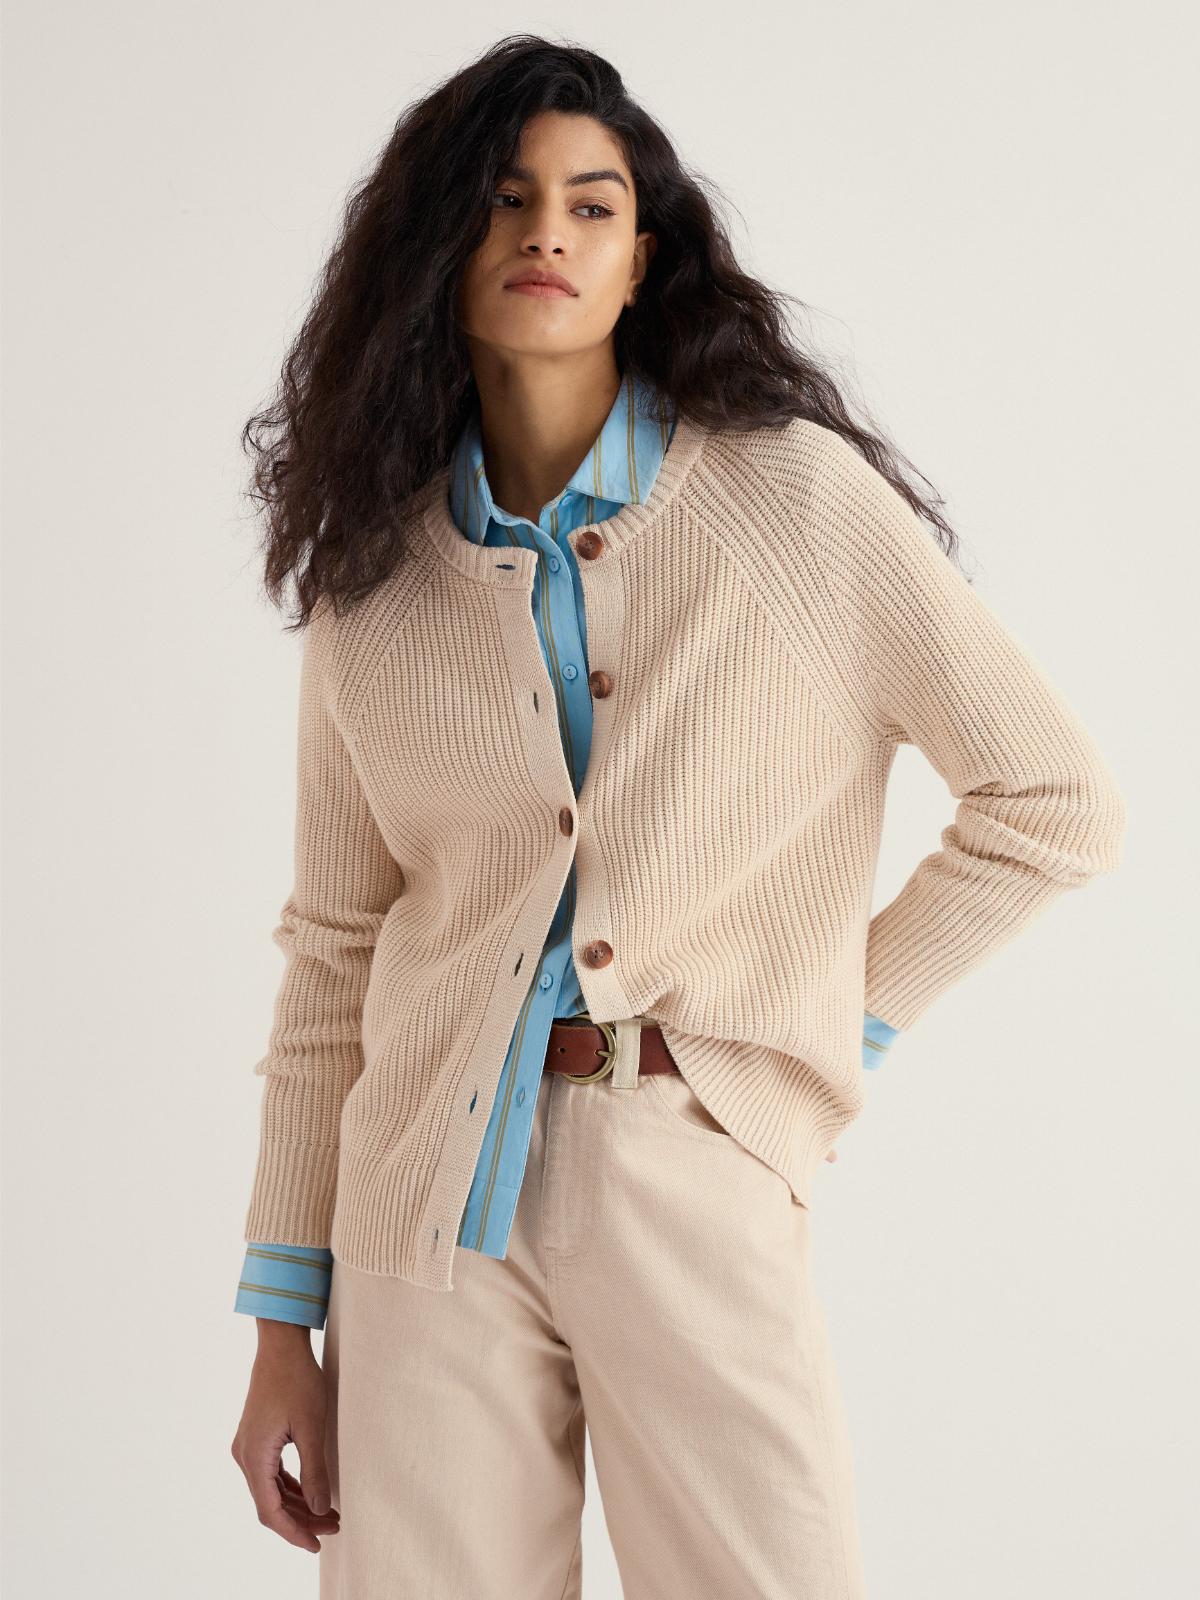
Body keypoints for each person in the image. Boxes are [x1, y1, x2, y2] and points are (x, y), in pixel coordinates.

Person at [228, 34, 1125, 1600]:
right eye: (506, 199)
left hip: (688, 1152)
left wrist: (820, 1031)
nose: (549, 234)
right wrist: (280, 1323)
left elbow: (1052, 801)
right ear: (438, 242)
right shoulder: (375, 570)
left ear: (644, 257)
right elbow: (335, 951)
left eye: (594, 205)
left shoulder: (792, 498)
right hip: (423, 1206)